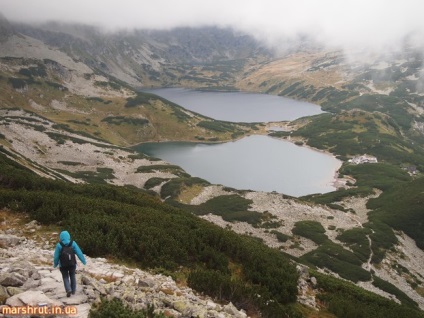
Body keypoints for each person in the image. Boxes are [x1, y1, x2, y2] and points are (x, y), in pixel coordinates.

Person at [53, 231, 86, 297]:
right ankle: (73, 290)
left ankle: (68, 290)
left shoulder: (59, 245)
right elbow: (79, 252)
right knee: (72, 275)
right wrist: (83, 261)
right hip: (72, 263)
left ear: (61, 237)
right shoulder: (73, 243)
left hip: (63, 264)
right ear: (68, 236)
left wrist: (55, 264)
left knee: (65, 277)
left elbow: (56, 256)